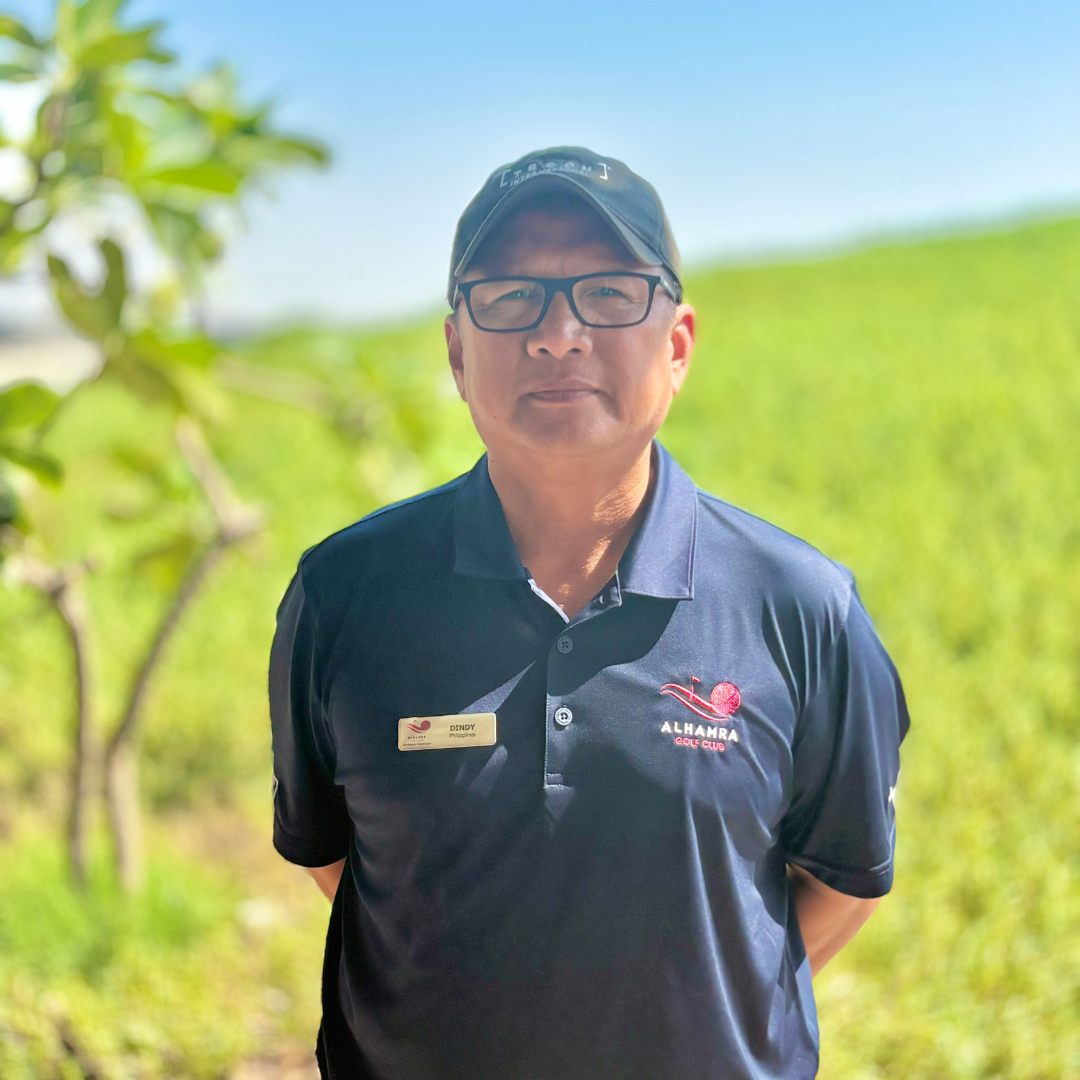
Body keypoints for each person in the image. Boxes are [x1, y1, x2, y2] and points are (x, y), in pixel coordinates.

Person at [269, 146, 910, 1080]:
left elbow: (842, 886)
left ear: (678, 343)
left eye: (609, 294)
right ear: (456, 348)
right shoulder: (343, 596)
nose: (559, 334)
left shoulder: (801, 608)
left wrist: (687, 1010)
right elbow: (344, 866)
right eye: (510, 296)